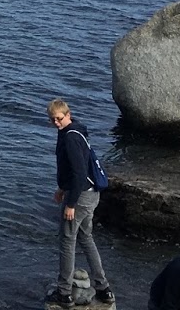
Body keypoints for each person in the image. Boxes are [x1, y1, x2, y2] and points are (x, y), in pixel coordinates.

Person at [46, 98, 113, 306]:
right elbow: (74, 170)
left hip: (81, 196)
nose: (56, 123)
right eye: (52, 120)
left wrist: (71, 204)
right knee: (86, 237)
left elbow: (79, 172)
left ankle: (64, 292)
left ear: (68, 114)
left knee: (67, 241)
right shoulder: (76, 132)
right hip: (91, 193)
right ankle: (103, 289)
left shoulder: (71, 138)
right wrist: (62, 189)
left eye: (59, 118)